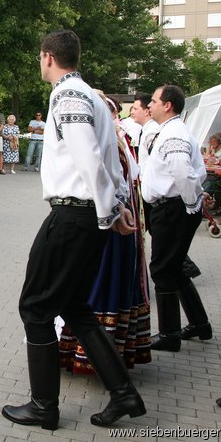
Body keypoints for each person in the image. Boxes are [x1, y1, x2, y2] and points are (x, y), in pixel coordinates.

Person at [1, 30, 145, 430]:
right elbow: (109, 162)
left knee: (34, 307)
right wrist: (114, 208)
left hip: (73, 216)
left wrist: (109, 211)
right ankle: (123, 393)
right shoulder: (88, 95)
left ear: (48, 56)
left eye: (38, 56)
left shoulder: (68, 96)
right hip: (87, 215)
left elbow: (89, 158)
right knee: (76, 308)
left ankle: (44, 407)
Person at [59, 91, 151, 374]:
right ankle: (113, 365)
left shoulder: (109, 141)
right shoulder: (116, 140)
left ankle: (102, 365)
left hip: (105, 224)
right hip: (116, 220)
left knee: (91, 291)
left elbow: (106, 179)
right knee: (93, 291)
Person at [143, 84, 212, 352]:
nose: (150, 105)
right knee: (173, 268)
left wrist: (191, 203)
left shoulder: (174, 133)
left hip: (172, 208)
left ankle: (170, 335)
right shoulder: (170, 131)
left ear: (167, 105)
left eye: (153, 101)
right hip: (171, 207)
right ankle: (199, 324)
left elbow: (183, 172)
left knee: (162, 269)